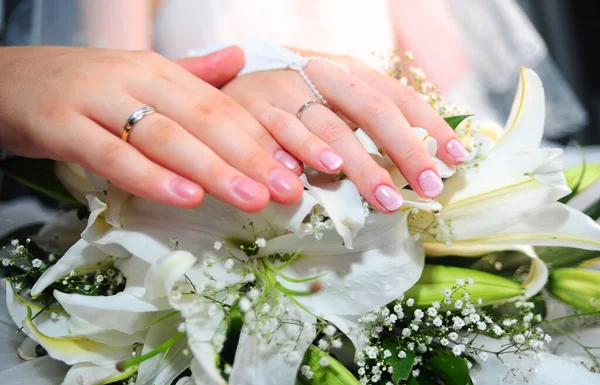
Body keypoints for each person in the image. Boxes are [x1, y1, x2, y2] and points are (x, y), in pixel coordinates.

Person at [0, 0, 469, 215]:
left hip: (389, 216)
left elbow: (451, 111)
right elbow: (103, 105)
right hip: (217, 220)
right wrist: (232, 89)